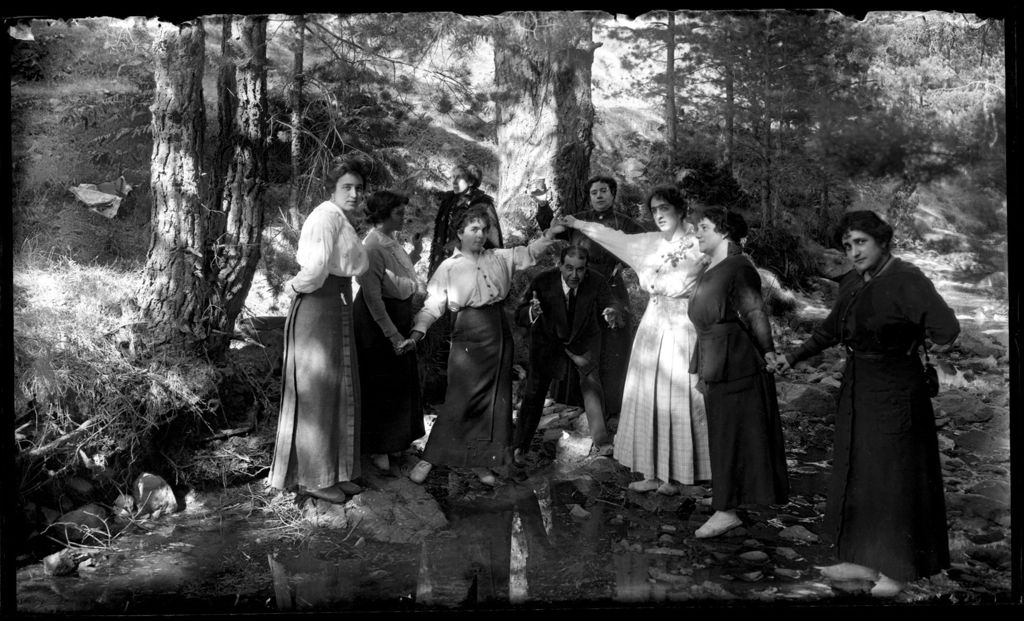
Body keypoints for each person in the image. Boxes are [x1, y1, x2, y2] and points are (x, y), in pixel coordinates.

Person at [775, 210, 960, 597]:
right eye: (847, 245)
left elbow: (947, 329)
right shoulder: (856, 281)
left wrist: (910, 337)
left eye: (861, 242)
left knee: (894, 476)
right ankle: (862, 557)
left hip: (896, 389)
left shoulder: (907, 278)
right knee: (860, 471)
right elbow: (830, 328)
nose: (853, 251)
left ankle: (898, 570)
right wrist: (790, 357)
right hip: (860, 387)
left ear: (882, 242)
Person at [560, 185, 710, 495]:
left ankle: (676, 475)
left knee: (678, 397)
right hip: (653, 324)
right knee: (648, 396)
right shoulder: (648, 242)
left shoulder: (698, 242)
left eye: (665, 208)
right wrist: (577, 224)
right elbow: (611, 236)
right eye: (654, 210)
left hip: (683, 325)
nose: (659, 215)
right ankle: (652, 473)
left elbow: (724, 270)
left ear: (680, 209)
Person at [405, 205, 563, 486]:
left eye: (484, 230)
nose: (480, 235)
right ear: (460, 233)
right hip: (467, 334)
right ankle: (430, 459)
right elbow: (432, 305)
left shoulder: (500, 257)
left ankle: (481, 463)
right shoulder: (449, 267)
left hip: (498, 335)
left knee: (493, 404)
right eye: (473, 229)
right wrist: (419, 332)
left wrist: (551, 232)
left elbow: (530, 253)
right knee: (460, 399)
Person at [268, 156, 371, 504]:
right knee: (317, 390)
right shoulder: (324, 218)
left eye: (359, 188)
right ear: (334, 189)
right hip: (318, 303)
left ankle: (336, 472)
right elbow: (314, 270)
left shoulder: (340, 219)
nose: (354, 193)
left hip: (335, 304)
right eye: (347, 187)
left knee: (337, 388)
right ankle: (314, 477)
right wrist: (295, 289)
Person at [687, 206, 788, 537]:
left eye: (703, 227)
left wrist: (769, 351)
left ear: (724, 231)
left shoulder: (739, 267)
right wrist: (698, 366)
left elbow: (755, 312)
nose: (697, 233)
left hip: (737, 363)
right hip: (716, 358)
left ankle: (726, 509)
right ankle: (726, 503)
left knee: (731, 435)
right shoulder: (714, 267)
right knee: (723, 433)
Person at [512, 246, 622, 462]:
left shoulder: (596, 281)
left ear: (586, 268)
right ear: (560, 265)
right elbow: (519, 313)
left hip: (583, 341)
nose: (574, 275)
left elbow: (611, 302)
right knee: (534, 391)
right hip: (547, 341)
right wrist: (532, 312)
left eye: (580, 270)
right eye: (569, 268)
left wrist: (612, 311)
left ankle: (601, 441)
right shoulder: (542, 281)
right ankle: (520, 446)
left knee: (592, 385)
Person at [558, 175, 647, 419]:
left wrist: (627, 265)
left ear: (612, 194)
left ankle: (610, 406)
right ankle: (573, 403)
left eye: (604, 191)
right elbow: (552, 229)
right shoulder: (579, 219)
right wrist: (543, 205)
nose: (598, 195)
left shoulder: (624, 223)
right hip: (579, 288)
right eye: (594, 192)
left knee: (612, 345)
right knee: (578, 343)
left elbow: (645, 246)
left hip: (611, 288)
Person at [352, 190, 426, 474]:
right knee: (380, 383)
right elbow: (373, 298)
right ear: (382, 215)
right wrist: (393, 335)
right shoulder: (371, 247)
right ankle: (377, 448)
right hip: (377, 324)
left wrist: (416, 254)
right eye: (398, 212)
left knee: (398, 382)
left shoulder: (390, 240)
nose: (403, 216)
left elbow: (399, 276)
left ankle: (397, 442)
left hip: (398, 315)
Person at [427, 163, 503, 279]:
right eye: (453, 177)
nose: (454, 182)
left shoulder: (483, 204)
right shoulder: (448, 201)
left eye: (459, 177)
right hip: (443, 262)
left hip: (469, 266)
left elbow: (493, 241)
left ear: (471, 182)